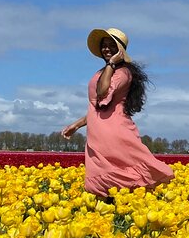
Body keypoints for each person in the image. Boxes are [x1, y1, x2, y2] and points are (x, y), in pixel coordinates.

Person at [62, 27, 175, 198]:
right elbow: (97, 108)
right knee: (104, 177)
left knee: (120, 176)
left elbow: (102, 93)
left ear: (120, 50)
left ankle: (123, 212)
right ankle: (111, 213)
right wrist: (76, 125)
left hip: (113, 131)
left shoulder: (123, 73)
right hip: (98, 131)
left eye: (111, 46)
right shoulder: (103, 71)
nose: (106, 49)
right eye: (104, 45)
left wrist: (111, 64)